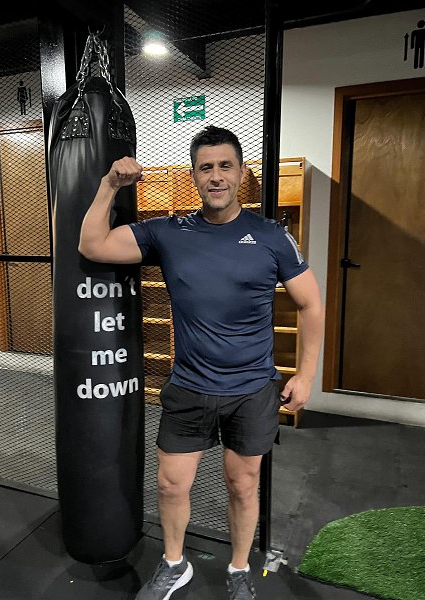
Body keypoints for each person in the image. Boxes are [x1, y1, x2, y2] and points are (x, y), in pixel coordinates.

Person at [78, 125, 324, 600]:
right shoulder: (169, 232)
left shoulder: (271, 236)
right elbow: (92, 245)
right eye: (206, 167)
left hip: (251, 390)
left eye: (225, 166)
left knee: (242, 484)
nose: (216, 176)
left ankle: (238, 569)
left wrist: (307, 374)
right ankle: (175, 565)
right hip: (190, 386)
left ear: (242, 174)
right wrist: (108, 185)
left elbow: (311, 303)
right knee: (171, 485)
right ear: (194, 176)